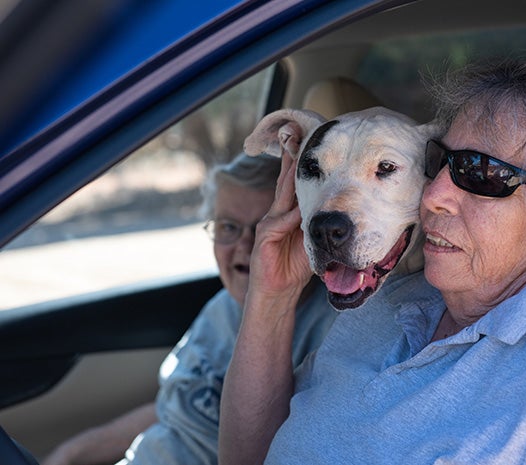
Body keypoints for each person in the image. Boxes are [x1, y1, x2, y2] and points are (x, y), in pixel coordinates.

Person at [218, 54, 526, 464]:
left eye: (481, 173)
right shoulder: (392, 301)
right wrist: (274, 296)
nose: (433, 194)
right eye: (442, 162)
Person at [43, 153, 336, 465]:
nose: (246, 245)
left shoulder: (332, 333)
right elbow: (175, 409)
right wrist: (70, 454)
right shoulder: (223, 306)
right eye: (228, 227)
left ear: (302, 232)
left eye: (265, 227)